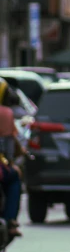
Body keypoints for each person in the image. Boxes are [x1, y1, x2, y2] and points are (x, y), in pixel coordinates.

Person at [0, 80, 24, 237]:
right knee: (15, 177)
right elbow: (9, 148)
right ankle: (10, 220)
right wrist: (11, 163)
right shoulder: (6, 113)